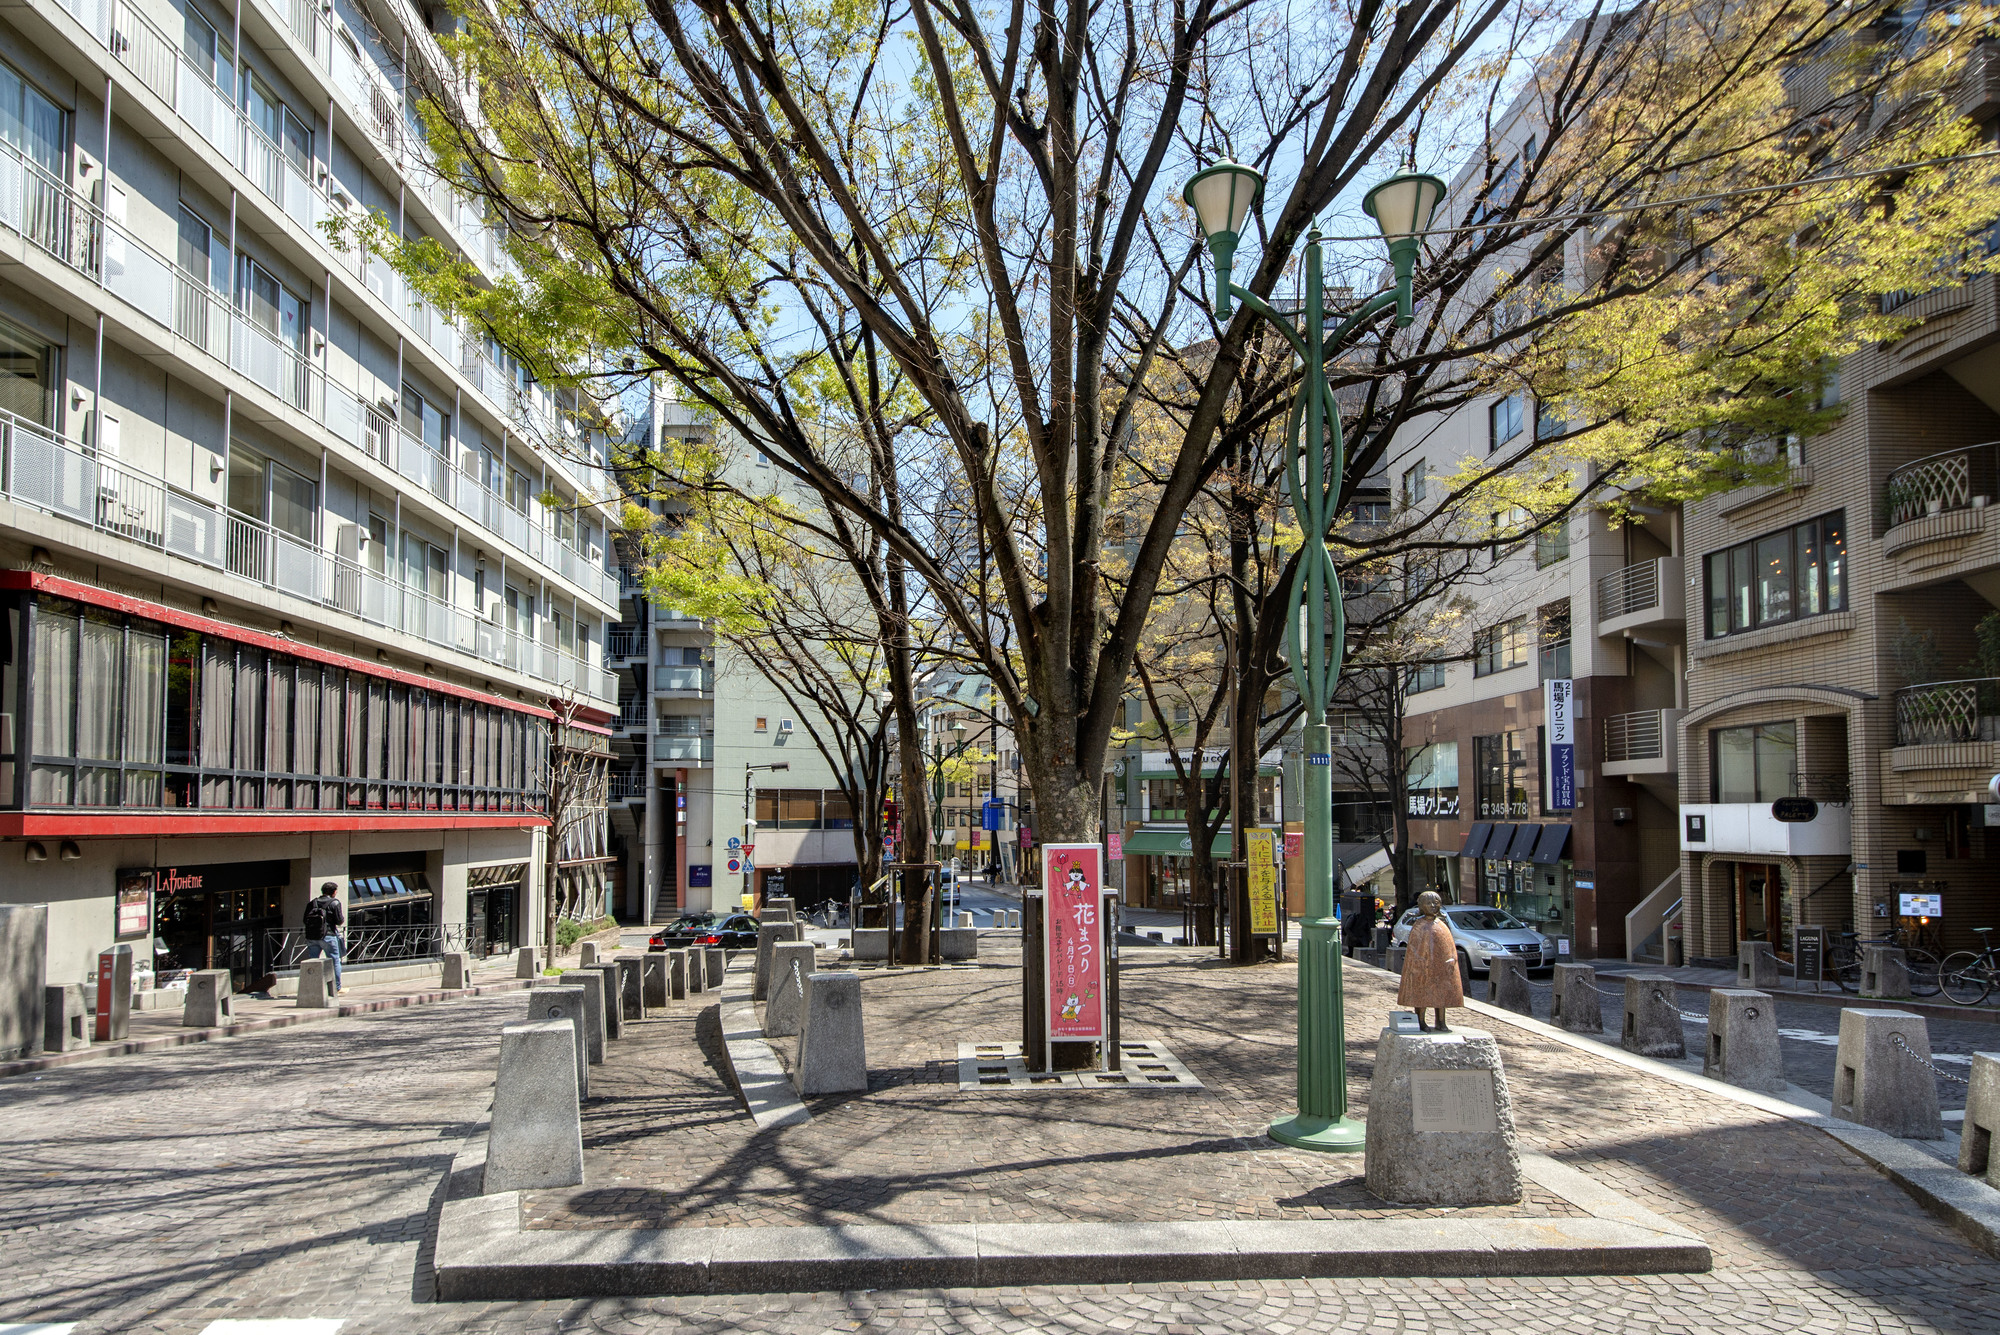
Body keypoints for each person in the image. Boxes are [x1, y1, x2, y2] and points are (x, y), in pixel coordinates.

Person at [1396, 890, 1464, 1031]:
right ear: (1421, 906)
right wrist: (1419, 961)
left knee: (1442, 994)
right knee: (1422, 994)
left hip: (1441, 967)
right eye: (1429, 903)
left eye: (1436, 903)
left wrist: (1452, 958)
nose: (1433, 905)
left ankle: (1441, 1021)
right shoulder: (1419, 926)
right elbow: (1414, 947)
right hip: (1423, 967)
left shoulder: (1442, 924)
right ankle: (1421, 1021)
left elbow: (1450, 944)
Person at [303, 882, 345, 995]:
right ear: (333, 892)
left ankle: (312, 988)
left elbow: (304, 920)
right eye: (336, 890)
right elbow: (339, 920)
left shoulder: (312, 903)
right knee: (334, 961)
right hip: (328, 936)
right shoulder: (335, 903)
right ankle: (337, 988)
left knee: (313, 961)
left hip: (312, 936)